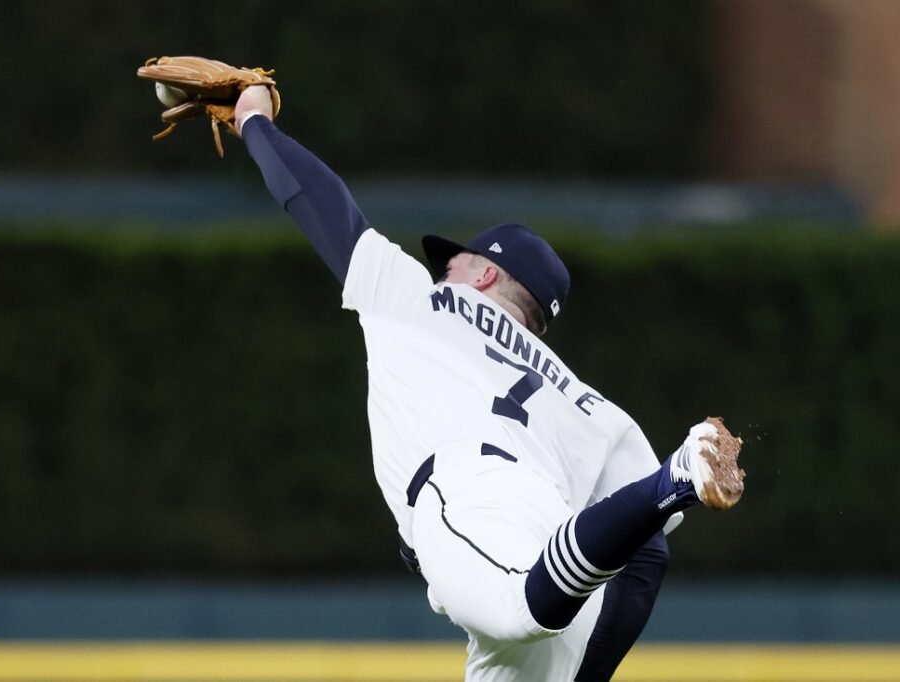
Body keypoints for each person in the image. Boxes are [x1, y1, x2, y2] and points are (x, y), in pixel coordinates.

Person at [230, 86, 744, 682]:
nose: (441, 268)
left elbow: (319, 200)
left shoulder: (426, 300)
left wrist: (254, 123)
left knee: (520, 606)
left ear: (485, 273)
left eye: (454, 261)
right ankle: (669, 478)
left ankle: (675, 475)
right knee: (535, 599)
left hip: (470, 496)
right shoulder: (587, 403)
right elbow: (648, 556)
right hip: (561, 542)